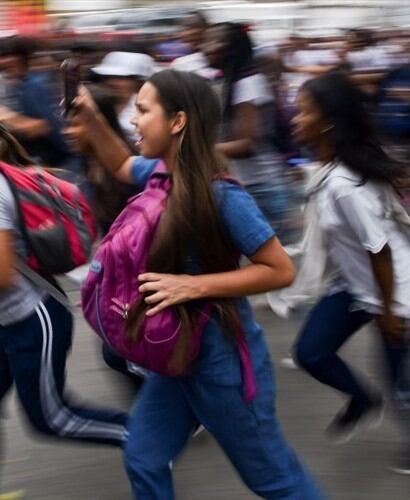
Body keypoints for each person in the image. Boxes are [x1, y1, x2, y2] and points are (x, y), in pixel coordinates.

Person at [73, 69, 323, 499]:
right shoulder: (160, 173)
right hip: (174, 354)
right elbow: (119, 164)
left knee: (274, 481)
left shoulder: (222, 195)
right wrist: (91, 116)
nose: (133, 119)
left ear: (178, 121)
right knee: (144, 457)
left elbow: (280, 269)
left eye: (143, 111)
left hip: (221, 363)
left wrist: (191, 286)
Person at [0, 90, 127, 500]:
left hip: (35, 319)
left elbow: (0, 275)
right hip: (3, 319)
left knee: (53, 418)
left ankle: (146, 437)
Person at [290, 71, 410, 476]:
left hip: (399, 292)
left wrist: (388, 313)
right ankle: (363, 400)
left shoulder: (344, 184)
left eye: (303, 112)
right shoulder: (331, 168)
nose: (294, 119)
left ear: (328, 122)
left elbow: (380, 249)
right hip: (358, 285)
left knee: (403, 381)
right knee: (311, 353)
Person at [63, 85, 144, 388]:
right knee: (117, 351)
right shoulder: (85, 166)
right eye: (67, 124)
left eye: (76, 123)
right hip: (115, 280)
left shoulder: (129, 170)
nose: (68, 132)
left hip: (140, 280)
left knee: (120, 352)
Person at [204, 23, 297, 242]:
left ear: (231, 48)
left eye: (212, 41)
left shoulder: (248, 83)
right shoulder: (228, 82)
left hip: (262, 188)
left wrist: (197, 147)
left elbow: (246, 145)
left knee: (278, 255)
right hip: (247, 184)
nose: (205, 47)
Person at [0, 37, 72, 168]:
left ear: (19, 58)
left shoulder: (34, 86)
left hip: (59, 160)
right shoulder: (16, 85)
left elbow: (45, 126)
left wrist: (9, 118)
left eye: (4, 56)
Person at [91, 51, 155, 143]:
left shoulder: (146, 110)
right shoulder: (95, 104)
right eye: (109, 77)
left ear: (137, 82)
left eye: (121, 78)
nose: (113, 83)